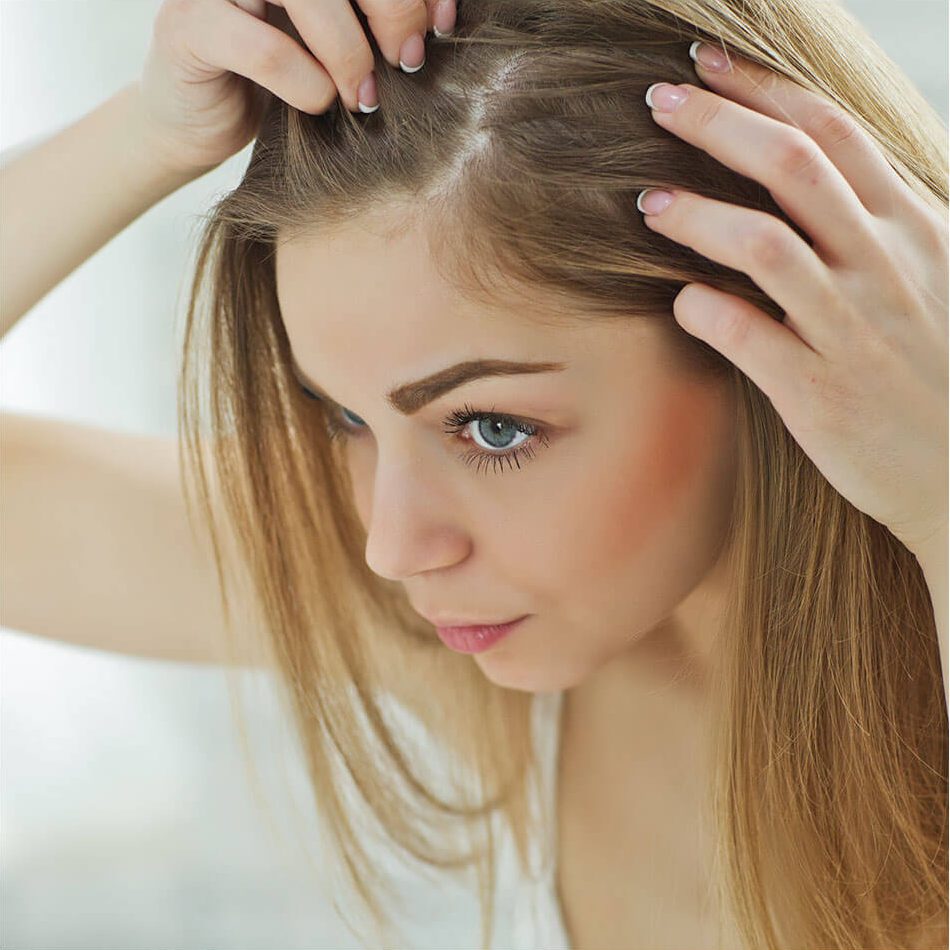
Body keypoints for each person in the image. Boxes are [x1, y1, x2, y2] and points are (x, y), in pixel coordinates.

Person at [1, 0, 947, 947]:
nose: (391, 547)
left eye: (490, 428)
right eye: (346, 416)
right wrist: (149, 133)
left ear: (782, 335)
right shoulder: (497, 637)